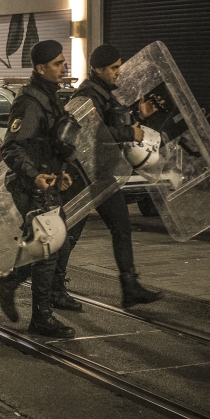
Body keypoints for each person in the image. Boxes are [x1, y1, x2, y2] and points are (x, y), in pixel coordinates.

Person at [51, 45, 162, 310]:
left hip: (103, 174)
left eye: (119, 67)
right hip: (83, 176)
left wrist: (137, 116)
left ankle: (130, 286)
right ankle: (53, 288)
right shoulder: (88, 95)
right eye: (113, 68)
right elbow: (93, 134)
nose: (118, 73)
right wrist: (128, 134)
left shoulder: (103, 94)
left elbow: (111, 123)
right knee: (69, 234)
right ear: (98, 69)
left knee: (121, 227)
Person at [0, 40, 76, 339]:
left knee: (44, 247)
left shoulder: (51, 98)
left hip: (47, 182)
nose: (64, 67)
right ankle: (41, 317)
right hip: (32, 186)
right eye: (58, 63)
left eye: (63, 61)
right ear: (41, 68)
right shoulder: (30, 103)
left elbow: (48, 144)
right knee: (47, 249)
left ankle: (8, 285)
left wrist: (58, 173)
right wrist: (36, 176)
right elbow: (11, 150)